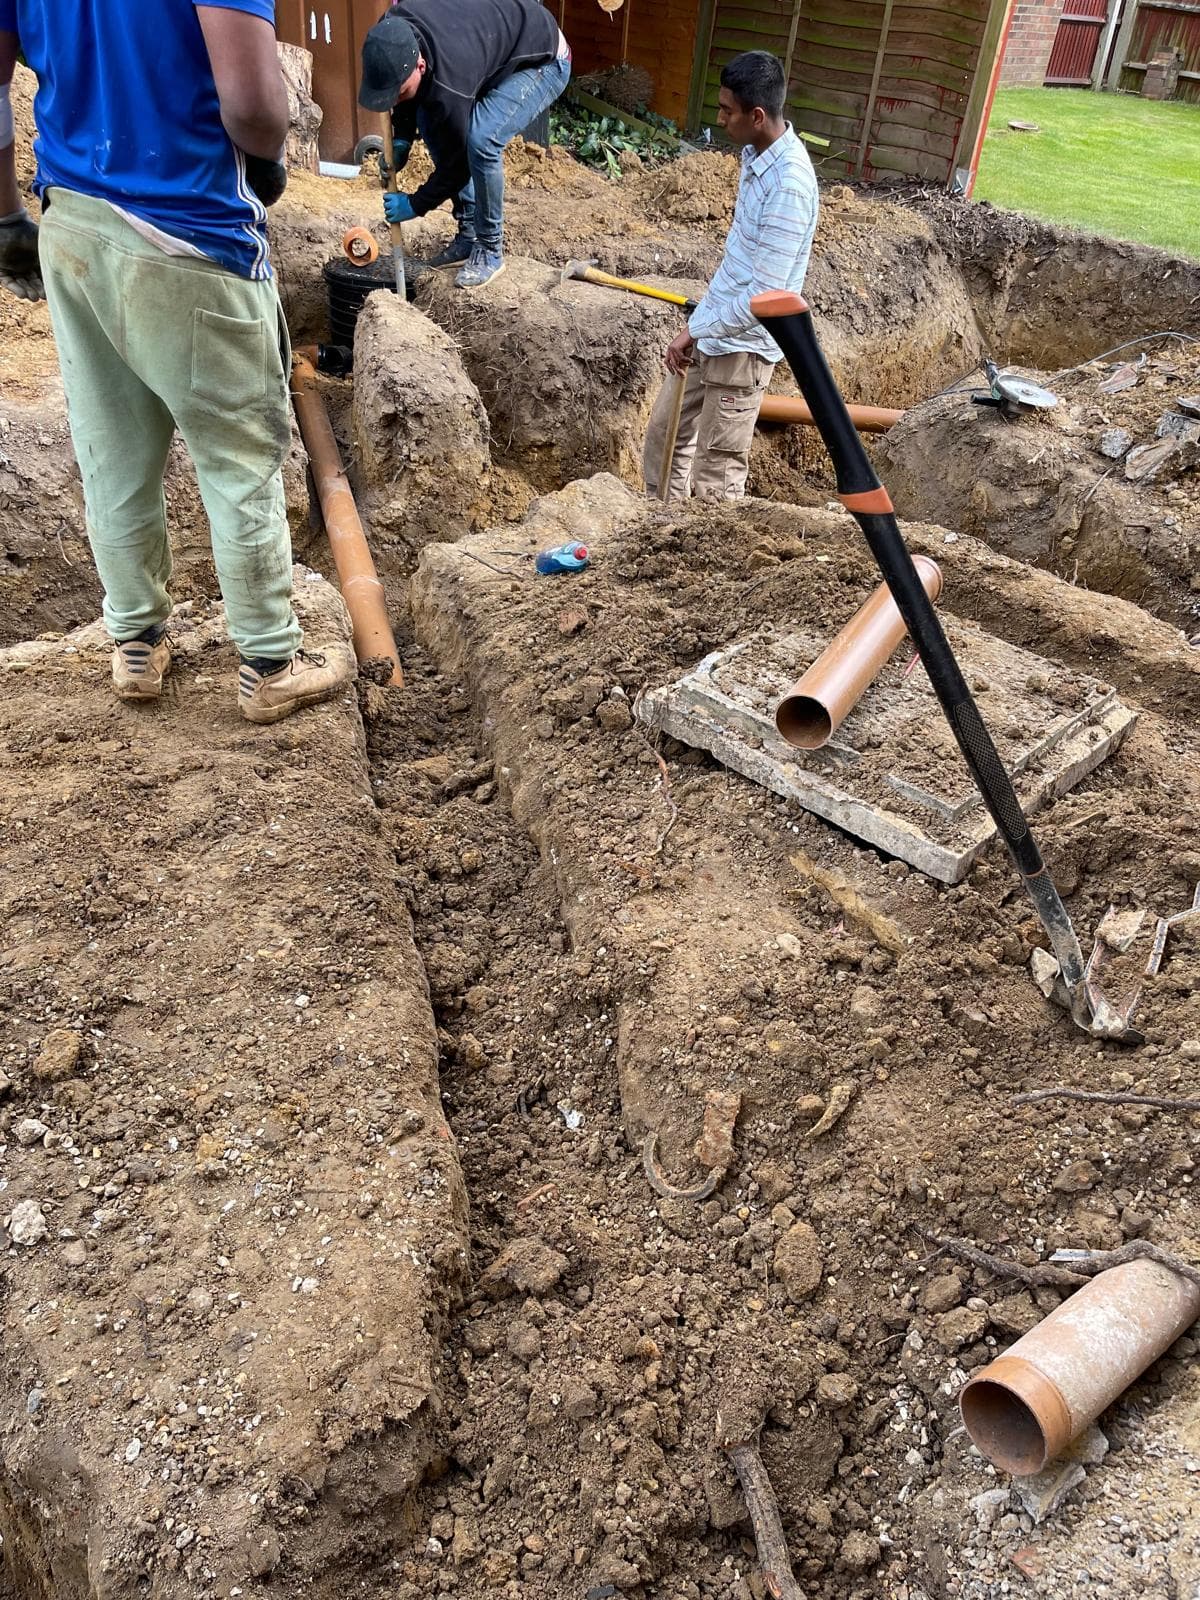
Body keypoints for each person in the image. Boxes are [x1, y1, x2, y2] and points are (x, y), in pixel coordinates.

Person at [0, 0, 351, 724]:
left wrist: (5, 214)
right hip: (190, 229)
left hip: (74, 224)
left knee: (112, 452)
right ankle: (270, 662)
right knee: (239, 458)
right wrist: (265, 156)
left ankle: (135, 641)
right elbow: (253, 106)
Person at [643, 51, 818, 502]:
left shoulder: (789, 186)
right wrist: (700, 325)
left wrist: (697, 328)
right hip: (714, 329)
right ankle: (659, 532)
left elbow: (765, 298)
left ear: (757, 116)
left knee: (715, 479)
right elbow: (738, 261)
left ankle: (702, 547)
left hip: (743, 350)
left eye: (727, 110)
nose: (719, 119)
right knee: (664, 440)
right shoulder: (755, 157)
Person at [358, 0, 571, 289]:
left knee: (481, 140)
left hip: (543, 59)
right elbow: (403, 91)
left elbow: (459, 166)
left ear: (421, 65)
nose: (394, 100)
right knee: (430, 117)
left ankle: (489, 248)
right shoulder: (389, 34)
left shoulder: (450, 84)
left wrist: (415, 204)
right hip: (486, 41)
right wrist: (402, 138)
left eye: (400, 92)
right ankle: (469, 233)